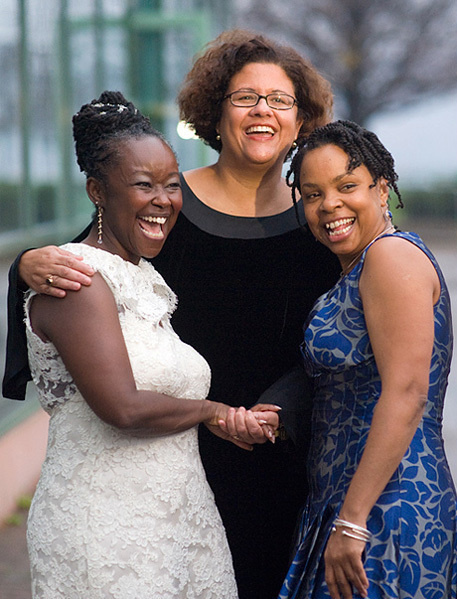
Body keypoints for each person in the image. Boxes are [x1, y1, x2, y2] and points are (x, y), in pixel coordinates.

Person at [5, 30, 342, 598]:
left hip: (280, 455)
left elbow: (340, 336)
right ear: (214, 112)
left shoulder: (320, 224)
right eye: (245, 97)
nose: (263, 110)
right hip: (169, 456)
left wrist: (279, 411)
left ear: (300, 116)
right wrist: (22, 263)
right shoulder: (160, 205)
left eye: (280, 99)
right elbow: (77, 272)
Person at [23, 91, 261, 597]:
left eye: (172, 186)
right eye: (143, 185)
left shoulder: (147, 277)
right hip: (107, 530)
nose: (163, 199)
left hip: (178, 521)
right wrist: (211, 411)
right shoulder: (75, 280)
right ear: (97, 191)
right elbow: (123, 409)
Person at [258, 120, 457, 599]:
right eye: (312, 194)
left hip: (389, 506)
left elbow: (408, 394)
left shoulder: (390, 258)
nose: (329, 205)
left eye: (347, 186)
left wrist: (351, 523)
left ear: (382, 188)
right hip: (350, 500)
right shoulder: (360, 265)